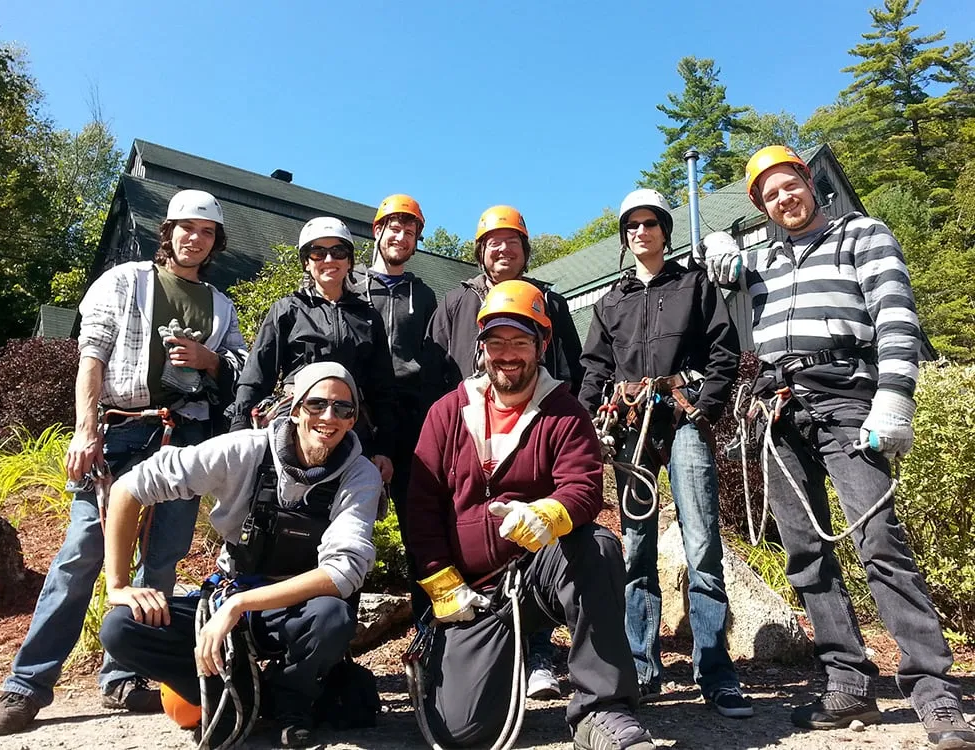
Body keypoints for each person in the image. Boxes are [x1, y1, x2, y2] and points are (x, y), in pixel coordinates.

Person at [695, 145, 975, 749]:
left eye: (788, 185)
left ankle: (934, 692)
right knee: (805, 554)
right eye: (768, 195)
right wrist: (719, 242)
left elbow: (897, 319)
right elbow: (717, 268)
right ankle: (846, 682)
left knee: (880, 545)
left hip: (847, 401)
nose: (782, 199)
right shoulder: (763, 256)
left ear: (808, 182)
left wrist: (894, 399)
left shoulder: (862, 234)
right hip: (778, 409)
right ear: (761, 206)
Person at [0, 189, 248, 737]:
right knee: (80, 553)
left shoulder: (221, 305)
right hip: (121, 431)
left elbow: (239, 365)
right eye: (185, 228)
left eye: (207, 232)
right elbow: (90, 357)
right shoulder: (124, 282)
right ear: (167, 231)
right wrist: (84, 431)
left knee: (163, 560)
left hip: (184, 436)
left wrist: (209, 359)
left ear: (216, 242)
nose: (195, 238)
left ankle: (124, 676)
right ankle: (26, 684)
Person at [408, 279, 656, 750]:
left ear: (541, 345)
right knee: (460, 732)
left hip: (536, 573)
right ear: (481, 348)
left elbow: (583, 488)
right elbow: (420, 508)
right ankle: (494, 666)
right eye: (496, 342)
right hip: (472, 593)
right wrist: (442, 584)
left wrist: (550, 513)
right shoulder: (446, 413)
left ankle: (601, 709)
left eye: (520, 342)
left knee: (597, 548)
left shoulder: (563, 413)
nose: (508, 354)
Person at [99, 362, 383, 749]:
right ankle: (238, 693)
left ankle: (290, 699)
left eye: (343, 409)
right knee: (120, 629)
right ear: (296, 409)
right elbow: (130, 488)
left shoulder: (360, 475)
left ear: (353, 421)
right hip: (230, 595)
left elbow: (342, 573)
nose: (329, 417)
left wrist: (237, 606)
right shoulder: (244, 450)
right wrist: (118, 585)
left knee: (332, 616)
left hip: (300, 613)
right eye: (316, 404)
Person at [579, 188, 750, 717]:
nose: (641, 232)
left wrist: (705, 406)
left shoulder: (694, 284)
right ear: (626, 236)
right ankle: (642, 666)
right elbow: (594, 368)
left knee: (701, 544)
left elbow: (725, 349)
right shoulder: (611, 300)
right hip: (631, 428)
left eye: (650, 223)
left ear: (664, 231)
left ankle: (715, 673)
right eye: (631, 225)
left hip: (682, 420)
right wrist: (586, 421)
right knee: (636, 548)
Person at [424, 204, 582, 698]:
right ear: (480, 250)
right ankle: (453, 645)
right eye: (493, 241)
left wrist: (561, 421)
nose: (503, 248)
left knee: (541, 530)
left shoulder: (549, 303)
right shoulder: (453, 303)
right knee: (451, 526)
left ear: (524, 249)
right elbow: (432, 367)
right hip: (468, 433)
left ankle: (538, 655)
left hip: (534, 428)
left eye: (512, 241)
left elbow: (572, 365)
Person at [229, 216, 396, 484]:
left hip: (350, 425)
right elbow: (256, 375)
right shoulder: (287, 310)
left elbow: (383, 389)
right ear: (307, 262)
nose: (329, 259)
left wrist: (384, 449)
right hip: (296, 420)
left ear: (349, 261)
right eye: (318, 252)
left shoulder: (368, 317)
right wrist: (238, 429)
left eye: (338, 251)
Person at [353, 195, 437, 606]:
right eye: (395, 227)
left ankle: (428, 633)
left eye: (410, 230)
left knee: (418, 524)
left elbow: (434, 359)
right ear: (378, 230)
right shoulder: (350, 285)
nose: (401, 236)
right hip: (355, 416)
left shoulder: (423, 296)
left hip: (408, 420)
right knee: (346, 522)